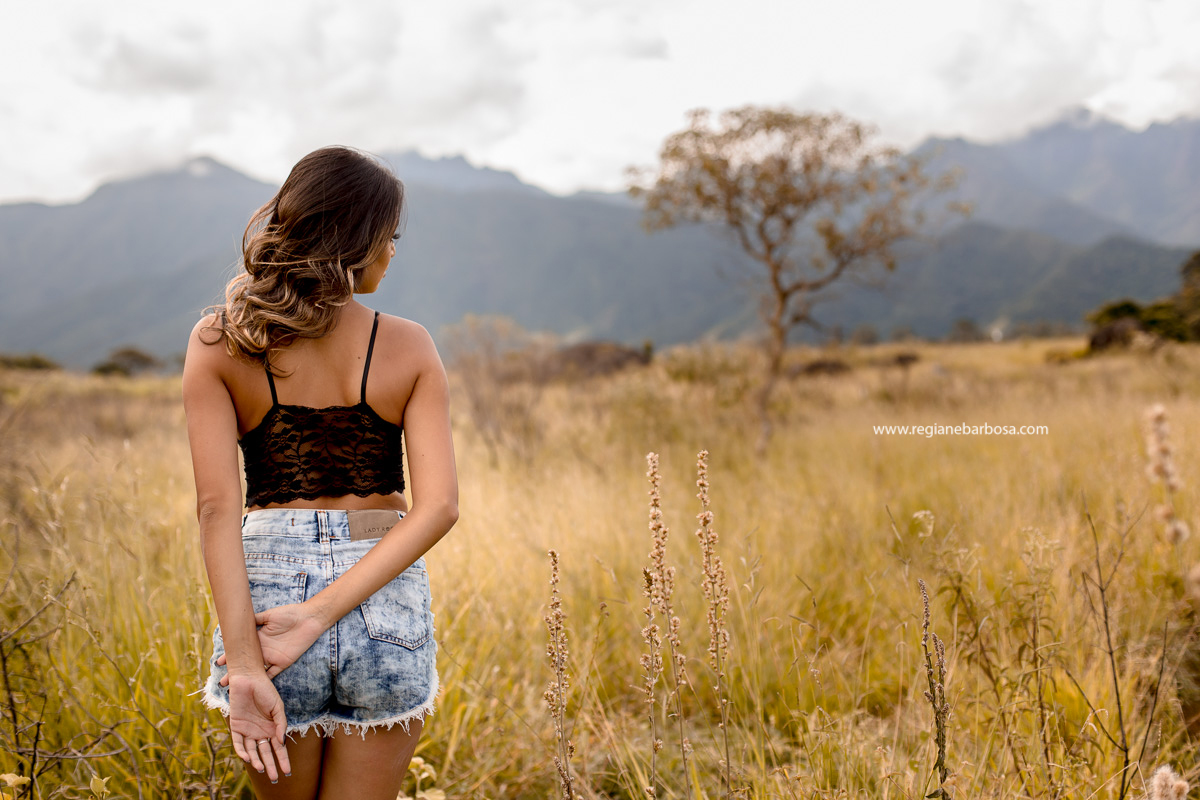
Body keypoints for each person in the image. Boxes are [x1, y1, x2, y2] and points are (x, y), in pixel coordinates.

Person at [182, 145, 458, 799]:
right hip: (381, 601)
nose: (392, 253)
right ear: (359, 243)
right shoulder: (410, 344)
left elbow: (217, 509)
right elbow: (439, 507)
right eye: (389, 238)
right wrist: (323, 614)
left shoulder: (220, 342)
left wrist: (247, 663)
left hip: (266, 617)